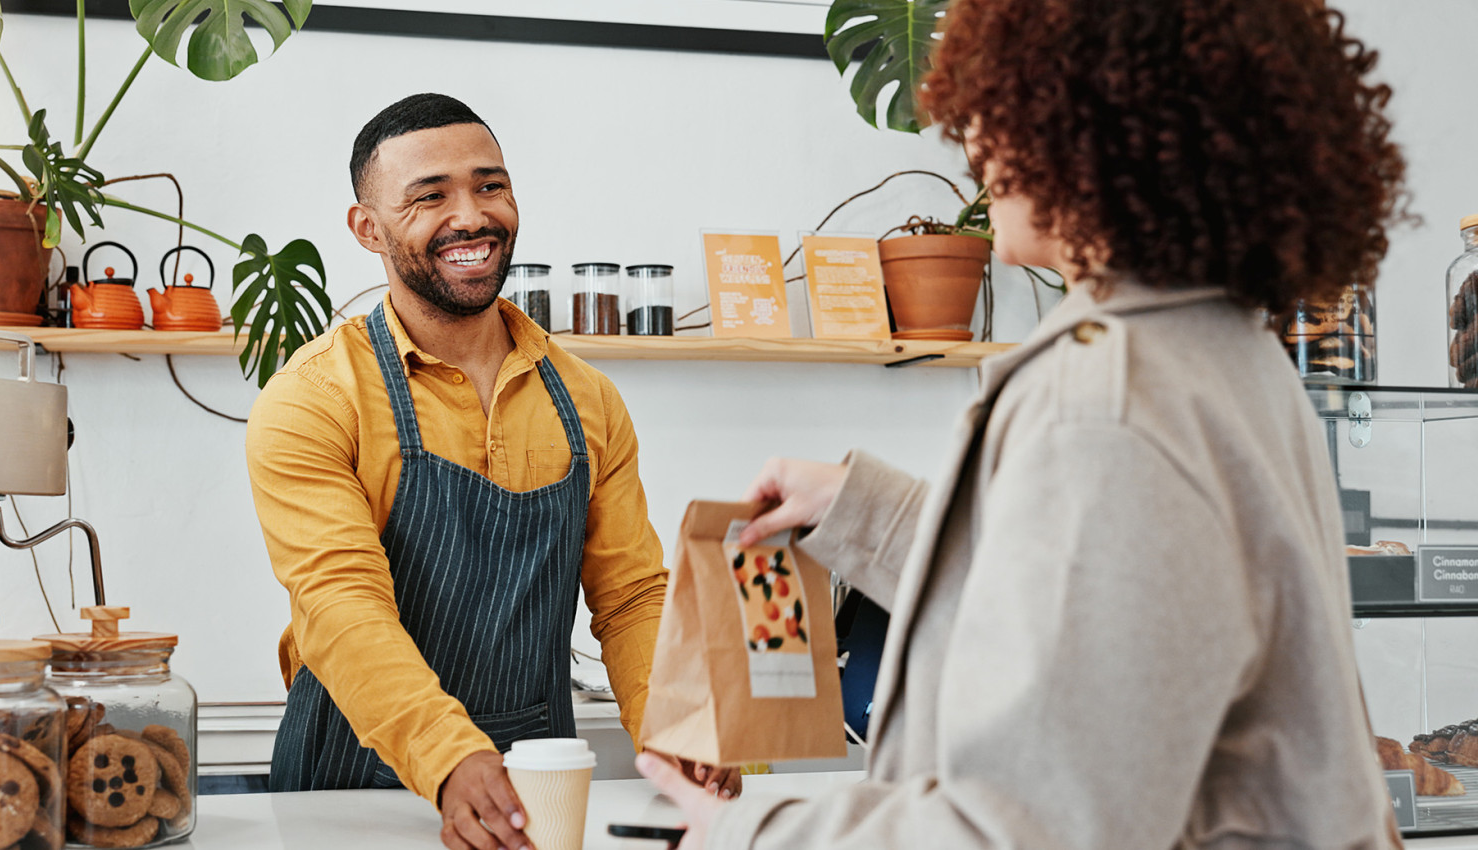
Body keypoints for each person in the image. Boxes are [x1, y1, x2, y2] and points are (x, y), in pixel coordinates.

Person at [636, 0, 1408, 847]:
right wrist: (864, 509)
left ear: (1090, 125)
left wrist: (747, 828)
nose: (974, 143)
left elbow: (1027, 828)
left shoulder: (1105, 398)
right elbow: (1101, 615)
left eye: (999, 105)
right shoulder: (1225, 354)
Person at [246, 93, 737, 850]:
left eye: (490, 185)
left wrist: (676, 728)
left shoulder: (586, 398)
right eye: (430, 196)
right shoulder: (314, 398)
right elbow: (342, 606)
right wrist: (450, 759)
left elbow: (632, 594)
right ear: (367, 229)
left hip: (538, 775)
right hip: (349, 780)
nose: (470, 216)